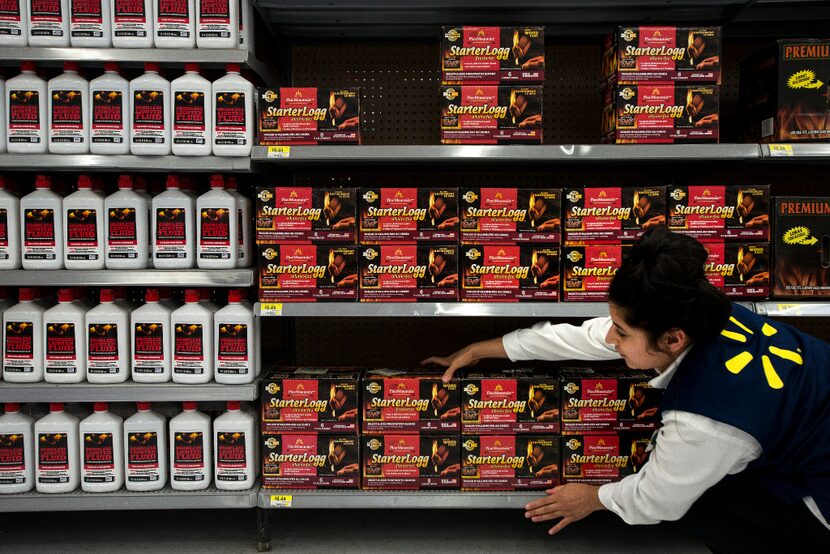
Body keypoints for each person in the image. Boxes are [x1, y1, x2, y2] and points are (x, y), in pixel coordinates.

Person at [423, 228, 830, 553]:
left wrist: (593, 498)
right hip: (807, 441)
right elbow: (589, 336)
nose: (612, 339)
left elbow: (659, 500)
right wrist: (486, 349)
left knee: (701, 499)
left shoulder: (706, 419)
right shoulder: (706, 313)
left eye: (622, 331)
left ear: (673, 339)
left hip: (822, 499)